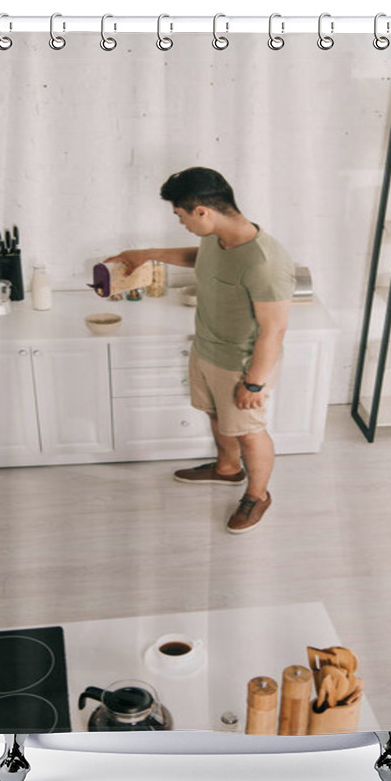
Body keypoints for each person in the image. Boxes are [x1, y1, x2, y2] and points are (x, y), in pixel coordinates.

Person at [105, 167, 295, 533]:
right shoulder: (217, 237)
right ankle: (227, 469)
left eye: (181, 216)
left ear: (202, 212)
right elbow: (200, 257)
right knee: (215, 415)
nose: (182, 223)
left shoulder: (264, 262)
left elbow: (275, 330)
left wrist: (254, 384)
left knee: (249, 431)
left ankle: (257, 496)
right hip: (206, 348)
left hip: (241, 363)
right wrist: (147, 254)